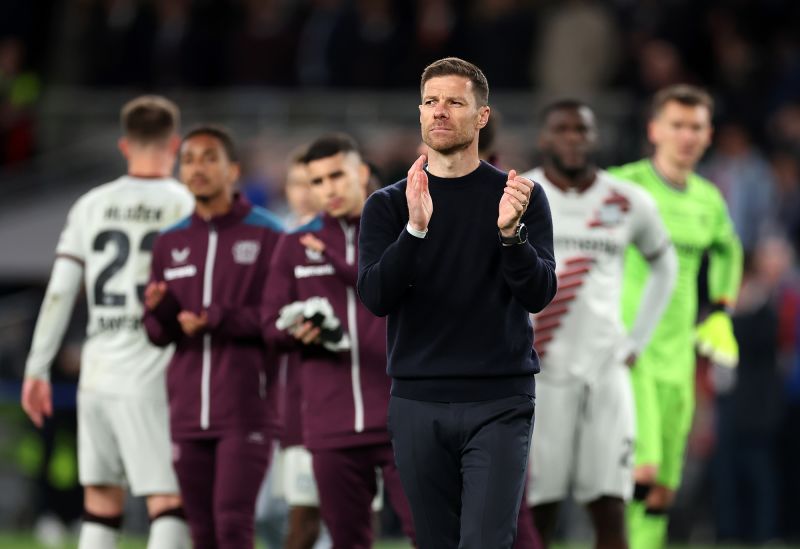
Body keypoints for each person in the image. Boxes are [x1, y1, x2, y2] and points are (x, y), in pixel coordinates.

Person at [358, 57, 558, 549]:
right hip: (417, 400)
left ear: (482, 116)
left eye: (454, 101)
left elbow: (538, 292)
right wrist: (415, 229)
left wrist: (512, 237)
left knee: (487, 541)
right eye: (430, 101)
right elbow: (376, 297)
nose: (439, 112)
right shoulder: (389, 204)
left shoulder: (519, 197)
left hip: (500, 399)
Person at [21, 95, 194, 549]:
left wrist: (37, 368)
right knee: (168, 500)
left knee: (100, 501)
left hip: (96, 372)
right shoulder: (185, 204)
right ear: (173, 144)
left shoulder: (90, 205)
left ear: (124, 145)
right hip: (153, 369)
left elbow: (59, 291)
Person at [520, 100, 677, 549]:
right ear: (544, 138)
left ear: (595, 137)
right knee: (538, 508)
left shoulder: (625, 200)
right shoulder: (519, 195)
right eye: (562, 129)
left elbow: (665, 265)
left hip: (606, 372)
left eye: (582, 130)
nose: (573, 138)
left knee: (609, 504)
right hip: (539, 373)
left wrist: (636, 341)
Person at [262, 133, 416, 549]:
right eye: (317, 181)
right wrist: (296, 330)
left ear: (362, 173)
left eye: (337, 175)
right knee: (347, 540)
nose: (328, 189)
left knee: (433, 534)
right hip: (331, 423)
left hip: (404, 414)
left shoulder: (404, 232)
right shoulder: (293, 245)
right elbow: (268, 326)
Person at [609, 85, 743, 549]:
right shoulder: (624, 186)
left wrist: (722, 310)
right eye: (677, 125)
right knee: (640, 470)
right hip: (630, 351)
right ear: (654, 130)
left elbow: (729, 251)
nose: (686, 136)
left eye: (696, 127)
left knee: (665, 481)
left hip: (679, 354)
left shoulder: (709, 201)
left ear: (708, 136)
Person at [143, 126, 284, 549]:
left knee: (232, 523)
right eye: (188, 160)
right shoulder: (169, 242)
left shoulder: (268, 234)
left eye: (209, 158)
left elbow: (278, 320)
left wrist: (218, 318)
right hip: (186, 409)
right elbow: (155, 334)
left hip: (245, 407)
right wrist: (161, 313)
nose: (197, 168)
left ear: (233, 170)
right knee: (200, 530)